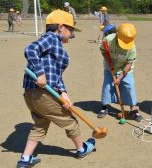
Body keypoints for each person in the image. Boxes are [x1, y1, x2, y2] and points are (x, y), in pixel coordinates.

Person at [17, 9, 95, 168]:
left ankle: (25, 159)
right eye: (71, 29)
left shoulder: (55, 44)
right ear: (61, 27)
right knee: (69, 120)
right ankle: (81, 149)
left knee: (40, 123)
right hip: (43, 94)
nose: (72, 34)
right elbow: (30, 49)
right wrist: (39, 73)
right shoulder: (51, 38)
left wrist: (64, 93)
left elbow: (55, 75)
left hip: (32, 94)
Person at [97, 23, 143, 122]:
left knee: (129, 86)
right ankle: (104, 107)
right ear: (117, 35)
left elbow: (129, 64)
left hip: (125, 68)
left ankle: (133, 109)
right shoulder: (108, 40)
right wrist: (108, 61)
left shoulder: (132, 47)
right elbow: (103, 51)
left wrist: (120, 78)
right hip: (110, 67)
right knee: (107, 86)